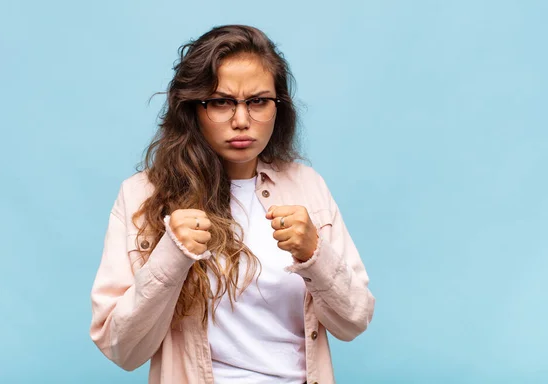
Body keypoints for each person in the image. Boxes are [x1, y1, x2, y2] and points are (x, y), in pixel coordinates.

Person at [89, 24, 375, 384]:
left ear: (278, 107)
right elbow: (121, 349)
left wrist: (314, 255)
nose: (242, 121)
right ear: (193, 107)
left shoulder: (308, 187)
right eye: (221, 102)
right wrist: (171, 254)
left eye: (257, 101)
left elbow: (355, 321)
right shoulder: (140, 196)